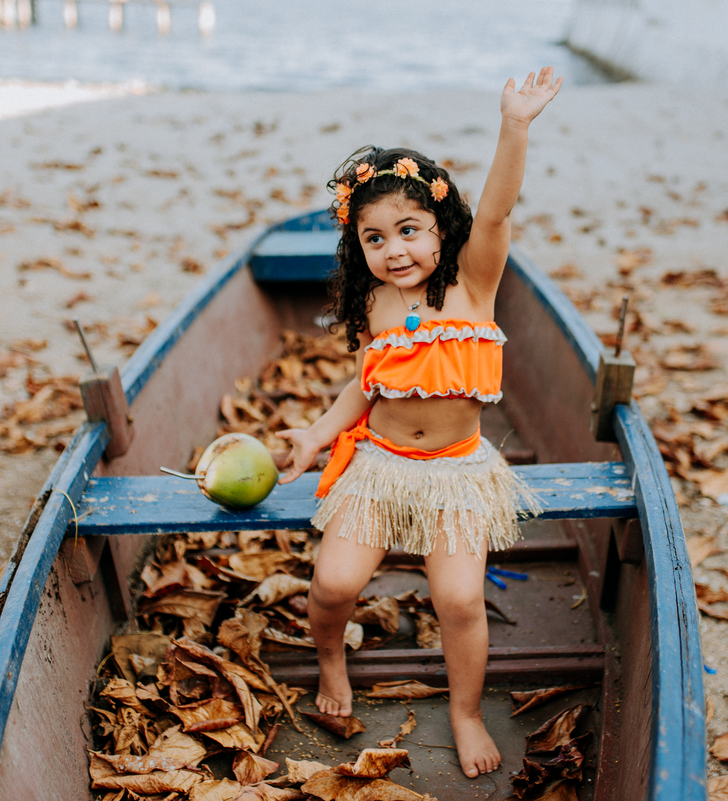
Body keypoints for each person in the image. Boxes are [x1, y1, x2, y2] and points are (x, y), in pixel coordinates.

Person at [276, 67, 562, 779]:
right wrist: (315, 434)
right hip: (379, 464)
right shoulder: (375, 303)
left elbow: (495, 211)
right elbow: (364, 386)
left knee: (461, 599)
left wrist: (515, 125)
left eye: (409, 230)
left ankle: (465, 710)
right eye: (375, 239)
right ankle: (333, 661)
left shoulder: (473, 282)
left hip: (456, 474)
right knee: (334, 586)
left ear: (443, 229)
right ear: (359, 248)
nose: (395, 249)